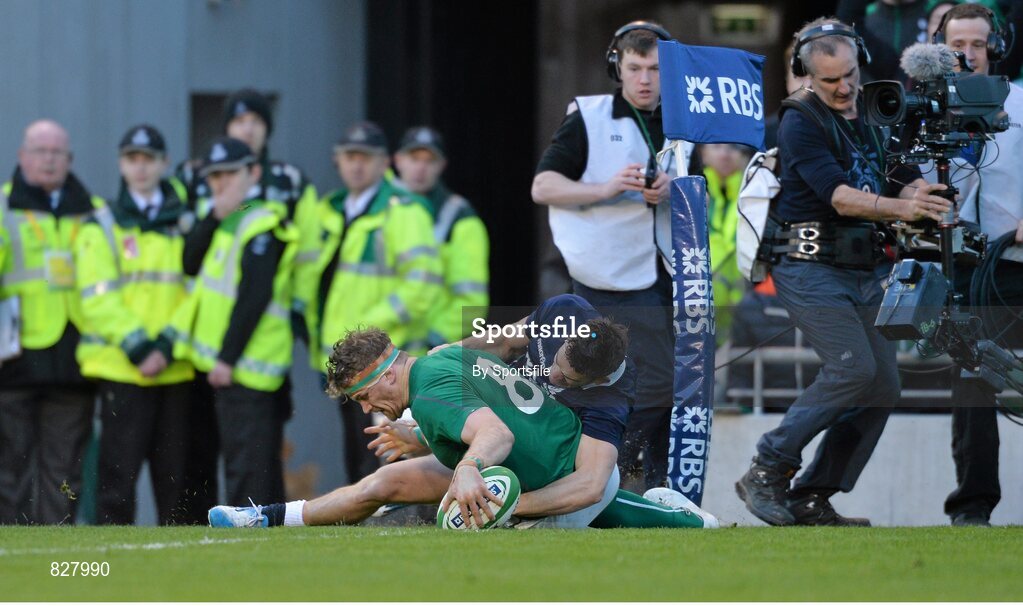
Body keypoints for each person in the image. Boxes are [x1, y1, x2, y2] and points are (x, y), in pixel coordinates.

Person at [734, 18, 954, 526]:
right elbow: (840, 196)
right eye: (830, 79)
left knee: (882, 385)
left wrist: (918, 194)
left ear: (861, 64)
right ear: (806, 75)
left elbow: (896, 174)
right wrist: (903, 210)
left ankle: (814, 493)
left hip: (863, 265)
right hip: (807, 266)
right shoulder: (799, 119)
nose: (844, 86)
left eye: (850, 73)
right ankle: (767, 467)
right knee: (855, 367)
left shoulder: (878, 107)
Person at [208, 327, 718, 529]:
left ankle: (670, 512)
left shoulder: (428, 387)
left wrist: (470, 468)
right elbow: (480, 409)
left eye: (366, 397)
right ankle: (265, 518)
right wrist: (420, 438)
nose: (369, 410)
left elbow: (496, 435)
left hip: (565, 484)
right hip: (542, 459)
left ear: (387, 374)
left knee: (668, 527)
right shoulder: (439, 361)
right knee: (384, 483)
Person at [532, 20, 686, 490]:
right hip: (608, 275)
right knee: (638, 382)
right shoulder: (591, 116)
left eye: (655, 69)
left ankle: (647, 486)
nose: (644, 79)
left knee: (663, 387)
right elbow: (543, 186)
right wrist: (606, 188)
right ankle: (604, 474)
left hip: (666, 271)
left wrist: (669, 191)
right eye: (635, 67)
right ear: (616, 67)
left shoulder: (682, 121)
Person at [175, 89, 319, 524]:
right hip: (234, 366)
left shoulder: (262, 222)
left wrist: (226, 358)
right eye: (214, 177)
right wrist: (213, 215)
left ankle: (253, 544)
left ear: (253, 174)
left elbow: (254, 298)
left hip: (249, 366)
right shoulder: (228, 220)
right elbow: (189, 261)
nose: (221, 185)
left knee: (249, 468)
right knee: (240, 461)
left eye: (230, 176)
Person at [305, 121, 443, 484]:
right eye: (350, 156)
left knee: (389, 453)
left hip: (384, 366)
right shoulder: (330, 210)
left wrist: (369, 335)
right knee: (358, 452)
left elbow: (422, 284)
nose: (357, 165)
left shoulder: (404, 210)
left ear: (385, 163)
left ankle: (397, 529)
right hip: (346, 360)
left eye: (366, 157)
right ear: (338, 161)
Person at [932, 2, 1023, 526]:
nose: (967, 55)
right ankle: (972, 507)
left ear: (997, 47)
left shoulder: (1022, 103)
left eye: (976, 44)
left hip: (1017, 259)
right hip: (966, 268)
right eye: (956, 45)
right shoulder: (923, 112)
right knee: (972, 381)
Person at [75, 125, 193, 525]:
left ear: (165, 164)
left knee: (176, 483)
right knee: (116, 483)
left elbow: (202, 290)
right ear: (121, 165)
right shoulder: (102, 223)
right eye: (132, 160)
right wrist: (141, 348)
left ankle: (178, 575)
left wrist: (167, 344)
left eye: (148, 160)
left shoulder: (186, 223)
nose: (140, 168)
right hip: (122, 369)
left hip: (175, 368)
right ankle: (113, 569)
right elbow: (97, 295)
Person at [0, 120, 105, 525]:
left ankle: (54, 551)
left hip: (73, 360)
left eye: (56, 152)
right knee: (11, 467)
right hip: (15, 361)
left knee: (64, 470)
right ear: (21, 156)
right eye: (39, 150)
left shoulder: (93, 211)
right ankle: (13, 550)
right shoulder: (5, 206)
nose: (47, 158)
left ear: (70, 160)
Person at [393, 126, 489, 349]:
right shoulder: (376, 209)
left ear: (442, 165)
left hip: (423, 354)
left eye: (430, 160)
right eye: (414, 158)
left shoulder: (459, 217)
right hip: (373, 349)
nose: (421, 167)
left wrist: (434, 340)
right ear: (398, 160)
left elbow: (471, 300)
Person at [702, 143, 753, 343]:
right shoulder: (689, 190)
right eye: (717, 147)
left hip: (744, 303)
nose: (725, 154)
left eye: (733, 147)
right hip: (701, 304)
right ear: (703, 153)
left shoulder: (756, 192)